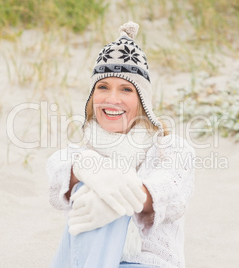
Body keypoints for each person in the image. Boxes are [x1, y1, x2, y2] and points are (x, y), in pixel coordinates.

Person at [46, 21, 195, 268]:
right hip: (81, 261)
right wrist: (87, 166)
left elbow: (172, 194)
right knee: (91, 183)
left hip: (143, 263)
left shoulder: (171, 149)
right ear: (92, 97)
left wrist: (117, 198)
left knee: (107, 191)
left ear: (143, 100)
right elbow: (56, 172)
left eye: (126, 89)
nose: (112, 99)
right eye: (103, 87)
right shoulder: (81, 150)